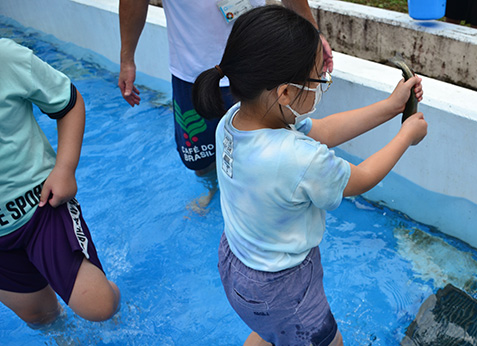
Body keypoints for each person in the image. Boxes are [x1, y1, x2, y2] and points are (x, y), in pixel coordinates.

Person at [192, 6, 428, 346]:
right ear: (285, 92)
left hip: (238, 266)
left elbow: (321, 130)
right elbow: (362, 177)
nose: (322, 82)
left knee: (269, 326)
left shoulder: (235, 120)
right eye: (319, 78)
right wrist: (405, 136)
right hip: (283, 284)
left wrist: (391, 108)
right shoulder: (298, 158)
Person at [118, 0, 332, 213]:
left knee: (270, 148)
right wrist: (127, 58)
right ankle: (213, 187)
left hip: (259, 64)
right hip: (192, 69)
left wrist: (312, 34)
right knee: (200, 156)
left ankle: (258, 197)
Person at [0, 39, 121, 328]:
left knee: (99, 305)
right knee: (38, 316)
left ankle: (112, 291)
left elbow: (68, 101)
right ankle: (63, 340)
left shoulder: (5, 59)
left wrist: (65, 169)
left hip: (41, 205)